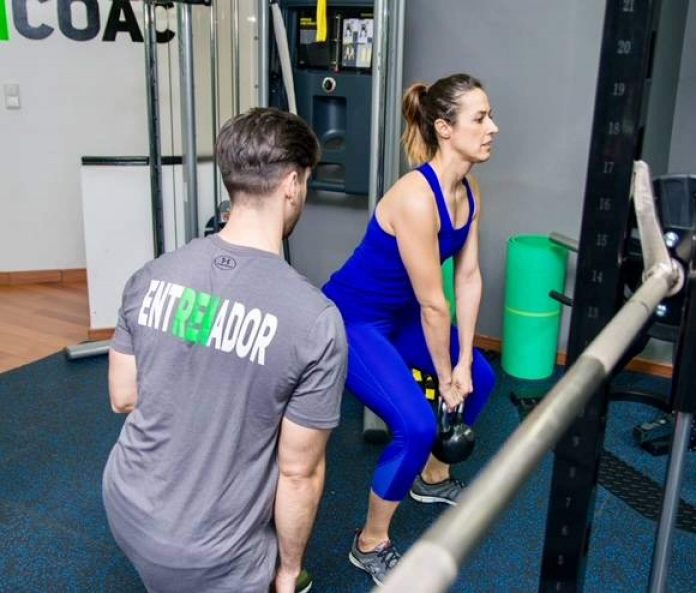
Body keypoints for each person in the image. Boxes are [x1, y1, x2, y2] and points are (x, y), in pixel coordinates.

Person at [102, 108, 348, 593]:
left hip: (124, 505)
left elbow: (123, 397)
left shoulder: (150, 275)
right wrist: (288, 571)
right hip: (213, 555)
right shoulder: (316, 321)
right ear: (293, 185)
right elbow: (299, 474)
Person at [322, 73, 499, 585]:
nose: (493, 128)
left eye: (489, 116)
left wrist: (464, 362)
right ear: (445, 128)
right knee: (418, 425)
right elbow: (432, 303)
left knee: (482, 380)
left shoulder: (468, 191)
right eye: (480, 118)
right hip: (353, 320)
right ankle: (369, 543)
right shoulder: (416, 197)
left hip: (400, 317)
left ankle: (432, 477)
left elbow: (467, 277)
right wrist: (445, 377)